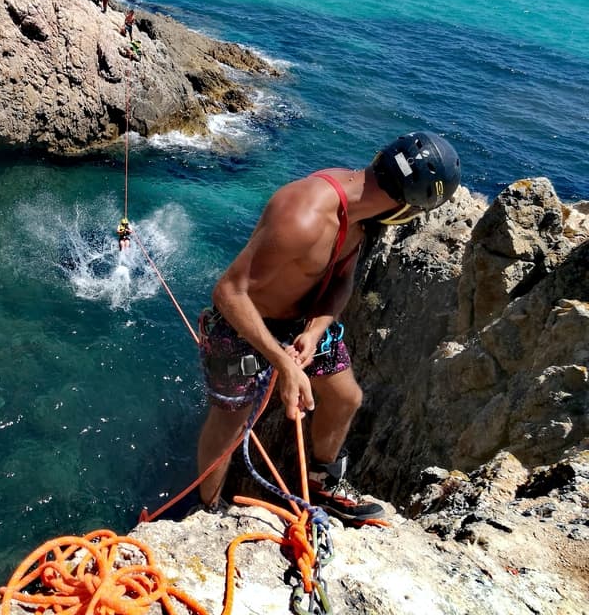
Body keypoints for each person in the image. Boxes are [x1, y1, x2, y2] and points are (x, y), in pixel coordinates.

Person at [195, 132, 461, 522]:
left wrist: (315, 331)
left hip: (303, 326)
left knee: (345, 398)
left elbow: (342, 280)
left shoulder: (363, 217)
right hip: (240, 326)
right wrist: (283, 365)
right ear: (406, 206)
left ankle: (321, 483)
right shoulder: (303, 216)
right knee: (230, 424)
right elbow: (229, 293)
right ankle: (207, 510)